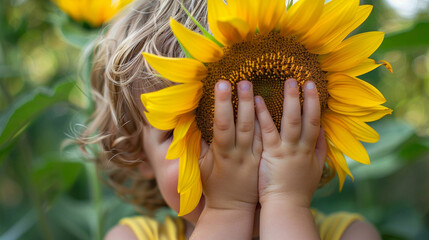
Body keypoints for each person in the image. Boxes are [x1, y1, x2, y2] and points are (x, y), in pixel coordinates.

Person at [79, 0, 382, 239]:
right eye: (192, 130)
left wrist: (286, 203)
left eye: (282, 118)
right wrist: (228, 209)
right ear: (139, 155)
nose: (241, 148)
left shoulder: (353, 235)